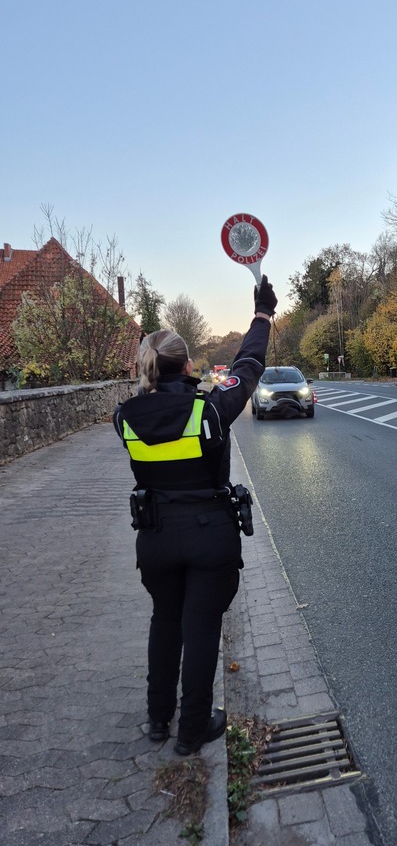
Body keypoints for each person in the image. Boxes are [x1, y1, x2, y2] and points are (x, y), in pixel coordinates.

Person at [114, 277, 277, 755]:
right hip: (209, 536)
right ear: (187, 364)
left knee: (164, 620)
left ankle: (158, 720)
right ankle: (192, 731)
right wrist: (262, 315)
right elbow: (248, 367)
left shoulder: (125, 417)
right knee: (201, 626)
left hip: (156, 537)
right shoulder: (209, 409)